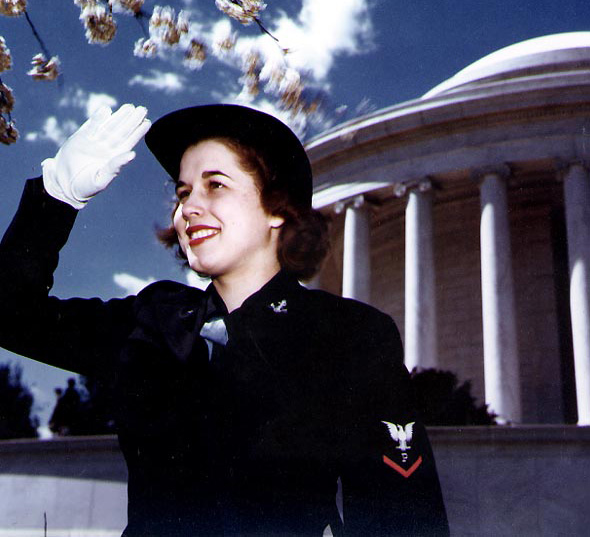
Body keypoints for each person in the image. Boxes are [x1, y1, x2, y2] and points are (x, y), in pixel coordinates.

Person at [0, 102, 449, 536]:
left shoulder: (348, 335)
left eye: (215, 185)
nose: (188, 207)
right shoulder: (152, 320)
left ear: (277, 208)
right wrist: (55, 196)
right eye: (183, 192)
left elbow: (402, 516)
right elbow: (9, 315)